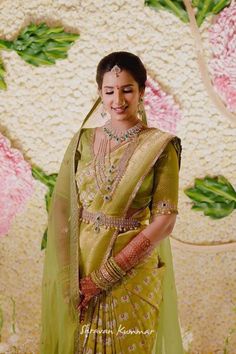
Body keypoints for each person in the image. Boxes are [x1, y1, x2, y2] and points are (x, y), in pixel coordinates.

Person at [40, 51, 184, 354]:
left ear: (142, 92)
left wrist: (106, 275)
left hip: (131, 272)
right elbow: (62, 209)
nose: (118, 99)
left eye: (127, 89)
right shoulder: (83, 140)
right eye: (109, 91)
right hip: (80, 264)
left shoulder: (159, 146)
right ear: (100, 93)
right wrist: (69, 277)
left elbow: (165, 221)